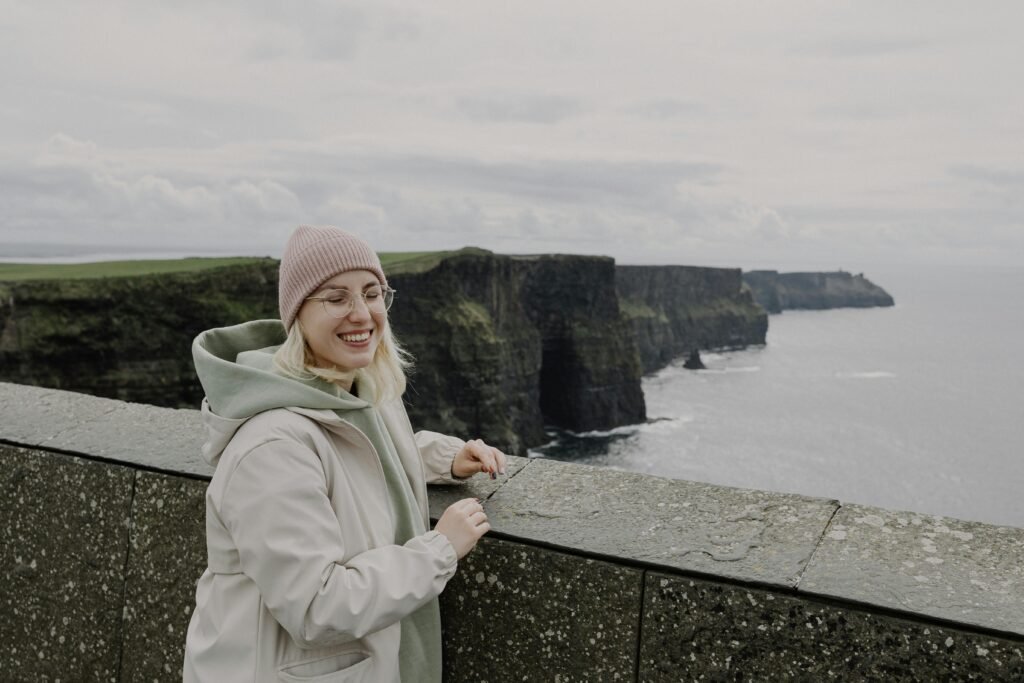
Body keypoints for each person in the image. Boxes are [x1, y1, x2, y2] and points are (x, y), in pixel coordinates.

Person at [183, 225, 507, 682]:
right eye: (336, 298)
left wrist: (442, 458)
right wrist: (440, 550)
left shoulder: (359, 391)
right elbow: (317, 606)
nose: (361, 314)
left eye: (372, 293)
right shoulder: (272, 447)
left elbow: (357, 454)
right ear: (297, 314)